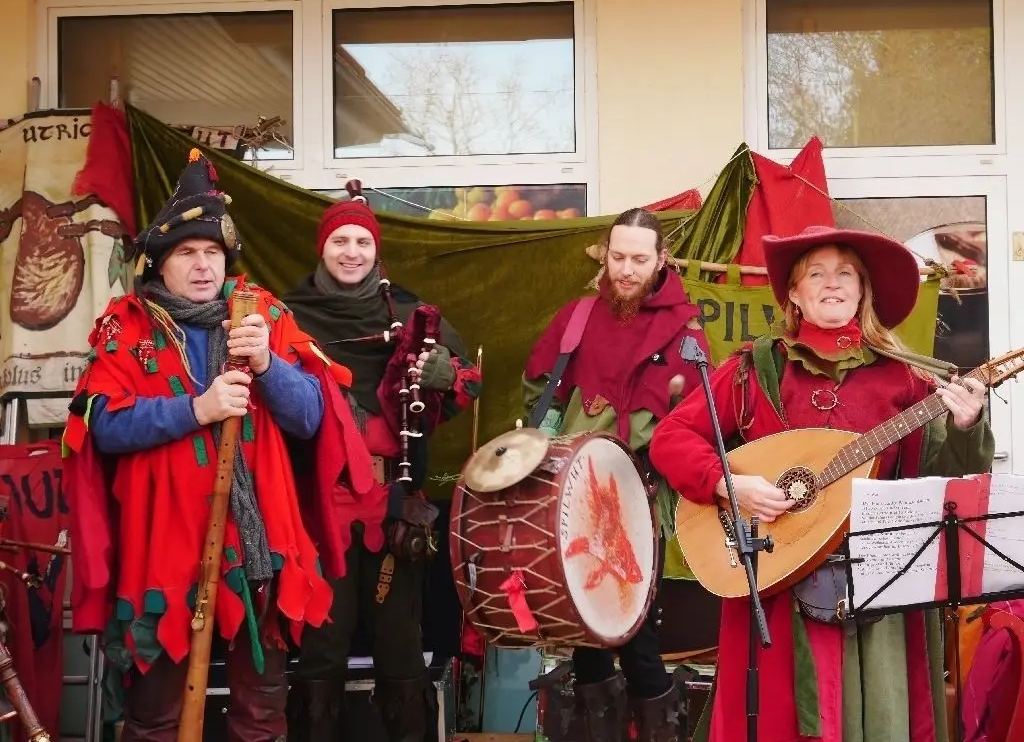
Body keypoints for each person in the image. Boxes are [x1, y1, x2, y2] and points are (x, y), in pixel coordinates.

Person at [62, 149, 374, 742]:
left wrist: (267, 362)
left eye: (212, 251)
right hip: (164, 546)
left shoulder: (262, 314)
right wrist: (196, 410)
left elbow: (312, 417)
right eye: (187, 252)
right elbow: (100, 422)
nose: (203, 265)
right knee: (156, 717)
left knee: (261, 715)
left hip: (261, 546)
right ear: (160, 261)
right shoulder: (127, 324)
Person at [650, 225, 995, 742]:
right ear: (794, 292)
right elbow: (672, 438)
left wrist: (967, 426)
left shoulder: (905, 379)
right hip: (777, 577)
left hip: (878, 588)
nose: (832, 283)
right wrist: (727, 485)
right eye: (816, 273)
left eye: (846, 274)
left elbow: (942, 482)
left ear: (862, 291)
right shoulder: (756, 369)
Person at [282, 181, 482, 742]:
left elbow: (470, 382)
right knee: (321, 648)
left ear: (376, 249)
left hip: (393, 507)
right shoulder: (288, 318)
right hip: (318, 507)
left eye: (363, 242)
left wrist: (444, 375)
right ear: (322, 247)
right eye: (340, 241)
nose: (352, 252)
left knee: (400, 647)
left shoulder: (412, 316)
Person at [522, 207, 710, 742]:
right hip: (576, 499)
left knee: (639, 643)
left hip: (640, 498)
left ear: (662, 260)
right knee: (588, 642)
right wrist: (549, 447)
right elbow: (542, 394)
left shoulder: (685, 331)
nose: (627, 269)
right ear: (604, 255)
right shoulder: (576, 318)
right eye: (619, 256)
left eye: (639, 259)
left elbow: (700, 419)